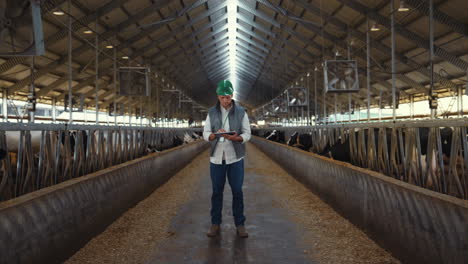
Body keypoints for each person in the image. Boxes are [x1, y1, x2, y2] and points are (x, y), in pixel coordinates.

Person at [203, 80, 251, 238]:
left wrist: (238, 138)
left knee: (237, 191)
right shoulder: (211, 112)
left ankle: (240, 225)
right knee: (217, 192)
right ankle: (215, 223)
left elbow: (247, 133)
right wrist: (210, 136)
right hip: (217, 159)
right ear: (218, 96)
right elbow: (206, 132)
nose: (226, 100)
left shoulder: (241, 112)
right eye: (223, 97)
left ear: (232, 95)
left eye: (228, 96)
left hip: (235, 158)